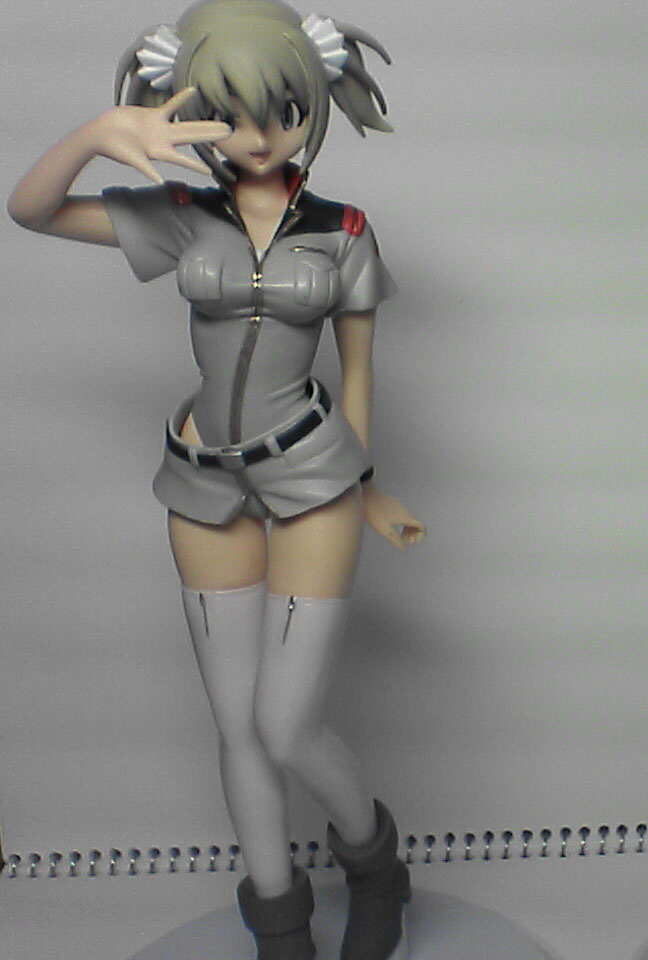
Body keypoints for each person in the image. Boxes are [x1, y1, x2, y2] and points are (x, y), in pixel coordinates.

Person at [9, 3, 422, 958]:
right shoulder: (179, 218)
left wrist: (367, 487)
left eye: (283, 108)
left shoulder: (345, 231)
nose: (260, 134)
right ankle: (278, 922)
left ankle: (374, 862)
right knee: (236, 724)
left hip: (312, 475)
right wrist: (97, 134)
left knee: (285, 724)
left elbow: (359, 374)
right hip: (202, 482)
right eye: (231, 113)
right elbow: (30, 210)